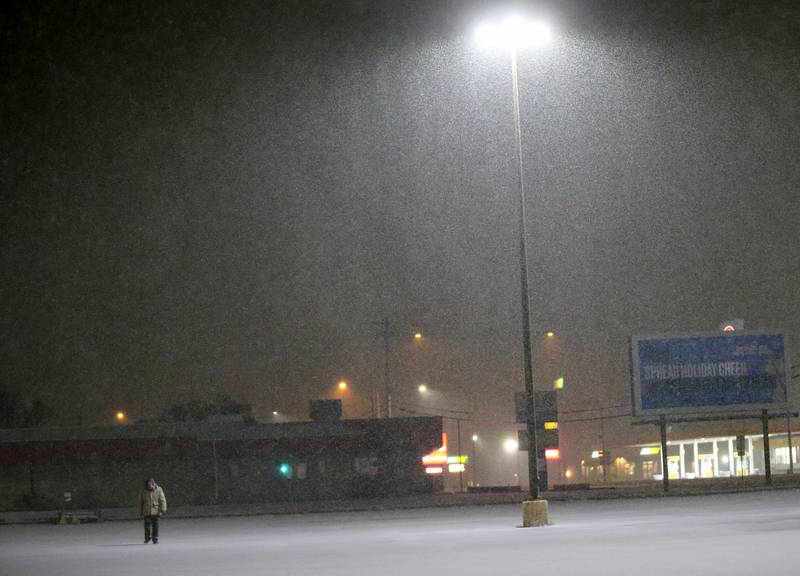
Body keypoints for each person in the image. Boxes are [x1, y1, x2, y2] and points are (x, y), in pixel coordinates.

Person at [139, 477, 167, 544]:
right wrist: (140, 511)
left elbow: (162, 500)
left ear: (153, 484)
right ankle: (147, 537)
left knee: (155, 526)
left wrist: (163, 509)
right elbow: (140, 502)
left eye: (150, 485)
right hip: (147, 511)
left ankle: (155, 538)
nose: (149, 486)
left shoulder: (159, 490)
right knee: (147, 526)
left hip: (156, 511)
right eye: (148, 485)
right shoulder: (143, 491)